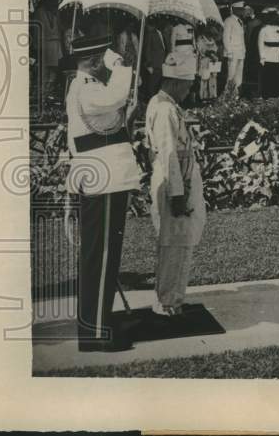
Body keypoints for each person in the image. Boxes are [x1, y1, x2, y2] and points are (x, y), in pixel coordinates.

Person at [64, 34, 142, 352]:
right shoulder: (88, 88)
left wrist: (128, 110)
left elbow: (111, 121)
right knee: (102, 257)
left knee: (103, 257)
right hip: (104, 180)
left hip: (106, 178)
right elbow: (115, 96)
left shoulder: (86, 88)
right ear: (95, 61)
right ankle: (95, 332)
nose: (107, 63)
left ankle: (99, 323)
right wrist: (122, 66)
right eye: (105, 59)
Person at [144, 48, 207, 317]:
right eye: (188, 85)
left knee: (179, 242)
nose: (189, 91)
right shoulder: (165, 109)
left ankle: (171, 298)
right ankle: (168, 302)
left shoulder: (163, 104)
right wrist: (177, 194)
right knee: (175, 244)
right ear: (176, 82)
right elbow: (169, 153)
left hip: (176, 177)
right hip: (175, 181)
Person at [32, 0, 64, 98]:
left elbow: (59, 28)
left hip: (55, 43)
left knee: (54, 69)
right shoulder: (39, 12)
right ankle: (43, 93)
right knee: (44, 70)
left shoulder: (56, 12)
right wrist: (37, 45)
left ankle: (49, 92)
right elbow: (36, 29)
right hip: (44, 43)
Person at [257, 14, 279, 98]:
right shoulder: (264, 29)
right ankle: (266, 95)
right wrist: (262, 57)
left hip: (277, 56)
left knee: (277, 78)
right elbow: (260, 44)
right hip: (268, 56)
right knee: (267, 78)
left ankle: (276, 95)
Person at [221, 1, 246, 97]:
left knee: (239, 76)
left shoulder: (240, 22)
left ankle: (236, 96)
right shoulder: (228, 20)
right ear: (235, 9)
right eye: (241, 9)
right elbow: (225, 37)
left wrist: (244, 50)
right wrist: (229, 52)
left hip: (240, 52)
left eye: (243, 9)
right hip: (233, 52)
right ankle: (227, 95)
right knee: (231, 75)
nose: (242, 11)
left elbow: (241, 38)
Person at [141, 18, 167, 103]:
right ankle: (151, 102)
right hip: (154, 65)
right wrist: (149, 64)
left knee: (157, 84)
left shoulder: (159, 33)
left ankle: (155, 102)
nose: (147, 28)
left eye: (148, 26)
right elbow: (147, 50)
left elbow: (163, 48)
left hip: (160, 64)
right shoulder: (150, 34)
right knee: (152, 85)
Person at [196, 27, 219, 102]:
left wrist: (214, 55)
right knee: (204, 79)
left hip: (213, 61)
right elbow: (201, 50)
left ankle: (212, 96)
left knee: (213, 79)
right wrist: (210, 54)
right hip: (204, 61)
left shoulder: (212, 39)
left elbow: (215, 48)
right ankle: (204, 97)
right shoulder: (201, 38)